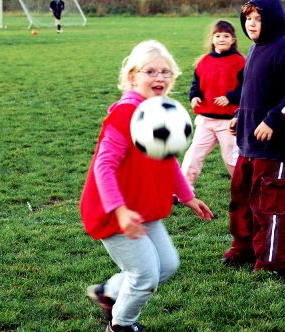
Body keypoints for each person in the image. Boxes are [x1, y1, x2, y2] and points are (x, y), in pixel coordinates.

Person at [80, 40, 213, 332]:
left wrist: (187, 196)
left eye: (166, 72)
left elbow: (168, 161)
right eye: (150, 71)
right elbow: (104, 166)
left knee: (166, 266)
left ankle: (111, 293)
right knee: (145, 276)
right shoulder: (125, 113)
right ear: (132, 77)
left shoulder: (162, 111)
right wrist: (121, 210)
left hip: (144, 207)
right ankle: (121, 325)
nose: (160, 77)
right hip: (117, 212)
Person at [222, 0, 285, 274]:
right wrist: (240, 115)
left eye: (258, 19)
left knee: (268, 205)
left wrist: (273, 119)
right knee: (241, 201)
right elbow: (254, 93)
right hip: (249, 145)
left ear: (272, 21)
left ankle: (272, 261)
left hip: (276, 148)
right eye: (247, 18)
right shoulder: (254, 50)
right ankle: (244, 247)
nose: (251, 24)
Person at [181, 20, 245, 193]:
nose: (221, 39)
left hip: (229, 123)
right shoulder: (203, 62)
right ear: (212, 39)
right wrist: (194, 96)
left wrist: (230, 97)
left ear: (233, 39)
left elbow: (247, 88)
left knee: (231, 158)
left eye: (226, 36)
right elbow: (196, 84)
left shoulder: (240, 62)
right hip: (206, 120)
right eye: (218, 36)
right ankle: (183, 190)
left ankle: (244, 189)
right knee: (194, 155)